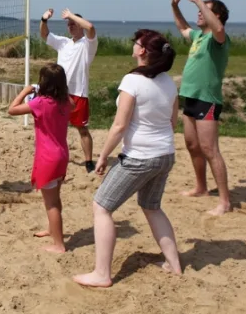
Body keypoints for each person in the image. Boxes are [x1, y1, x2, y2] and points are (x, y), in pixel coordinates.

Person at [74, 30, 182, 288]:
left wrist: (102, 156)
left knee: (102, 207)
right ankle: (174, 264)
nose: (133, 45)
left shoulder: (132, 81)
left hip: (140, 157)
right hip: (165, 154)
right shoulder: (168, 82)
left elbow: (119, 126)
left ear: (142, 51)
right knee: (152, 206)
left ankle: (102, 274)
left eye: (136, 43)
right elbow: (173, 122)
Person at [171, 0, 232, 216]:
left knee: (210, 149)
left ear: (215, 15)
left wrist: (198, 2)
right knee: (193, 146)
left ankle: (224, 202)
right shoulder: (199, 36)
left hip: (208, 100)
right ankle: (201, 188)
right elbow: (182, 27)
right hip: (191, 98)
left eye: (204, 10)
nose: (198, 13)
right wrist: (175, 6)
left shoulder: (218, 39)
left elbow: (219, 28)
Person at [7, 63, 73, 253]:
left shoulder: (41, 103)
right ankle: (53, 230)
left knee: (50, 203)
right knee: (55, 197)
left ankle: (59, 245)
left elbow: (12, 109)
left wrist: (26, 91)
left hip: (48, 158)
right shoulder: (65, 102)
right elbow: (72, 103)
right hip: (62, 155)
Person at [40, 8, 98, 173]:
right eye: (69, 24)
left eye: (74, 24)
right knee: (57, 128)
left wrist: (72, 15)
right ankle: (57, 157)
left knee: (82, 129)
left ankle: (88, 162)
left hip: (79, 93)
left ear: (80, 25)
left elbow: (91, 27)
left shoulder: (87, 44)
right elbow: (45, 35)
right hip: (60, 93)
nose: (71, 26)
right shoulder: (63, 43)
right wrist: (44, 20)